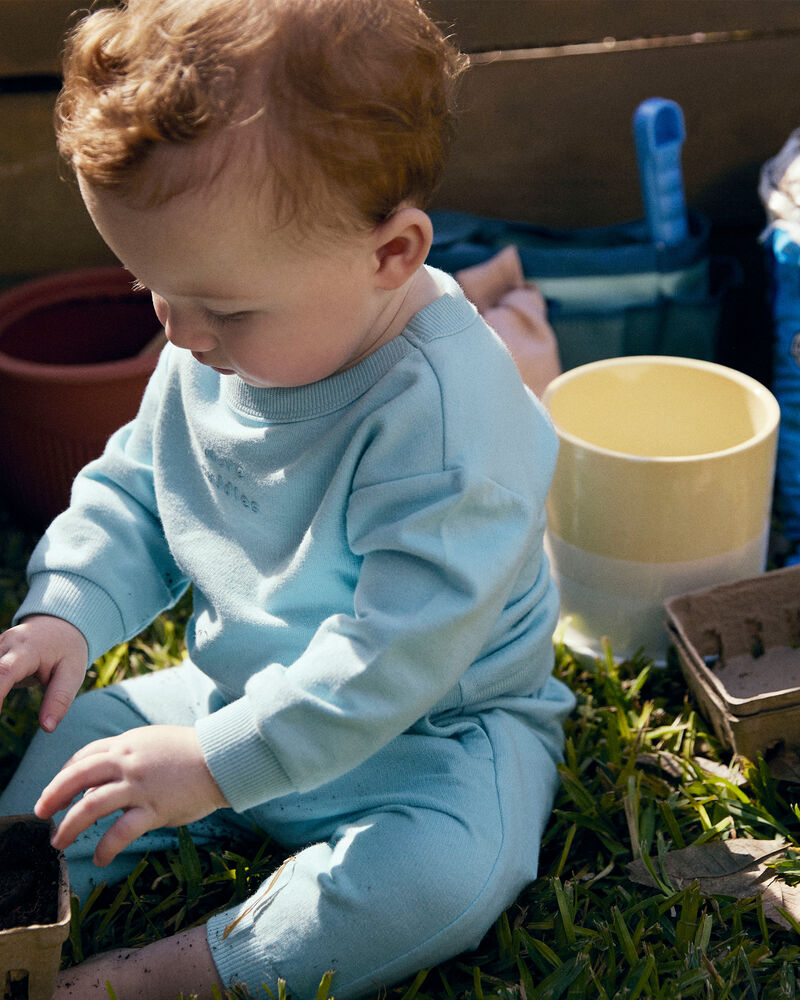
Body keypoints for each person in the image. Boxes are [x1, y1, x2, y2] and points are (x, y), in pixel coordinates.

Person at [0, 0, 575, 996]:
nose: (178, 333)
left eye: (220, 305)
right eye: (151, 289)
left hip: (427, 735)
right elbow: (138, 486)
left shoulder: (447, 421)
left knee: (445, 876)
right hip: (233, 691)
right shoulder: (213, 342)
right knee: (82, 746)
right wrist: (68, 605)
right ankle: (20, 911)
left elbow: (390, 659)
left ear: (390, 254)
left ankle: (180, 971)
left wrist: (212, 767)